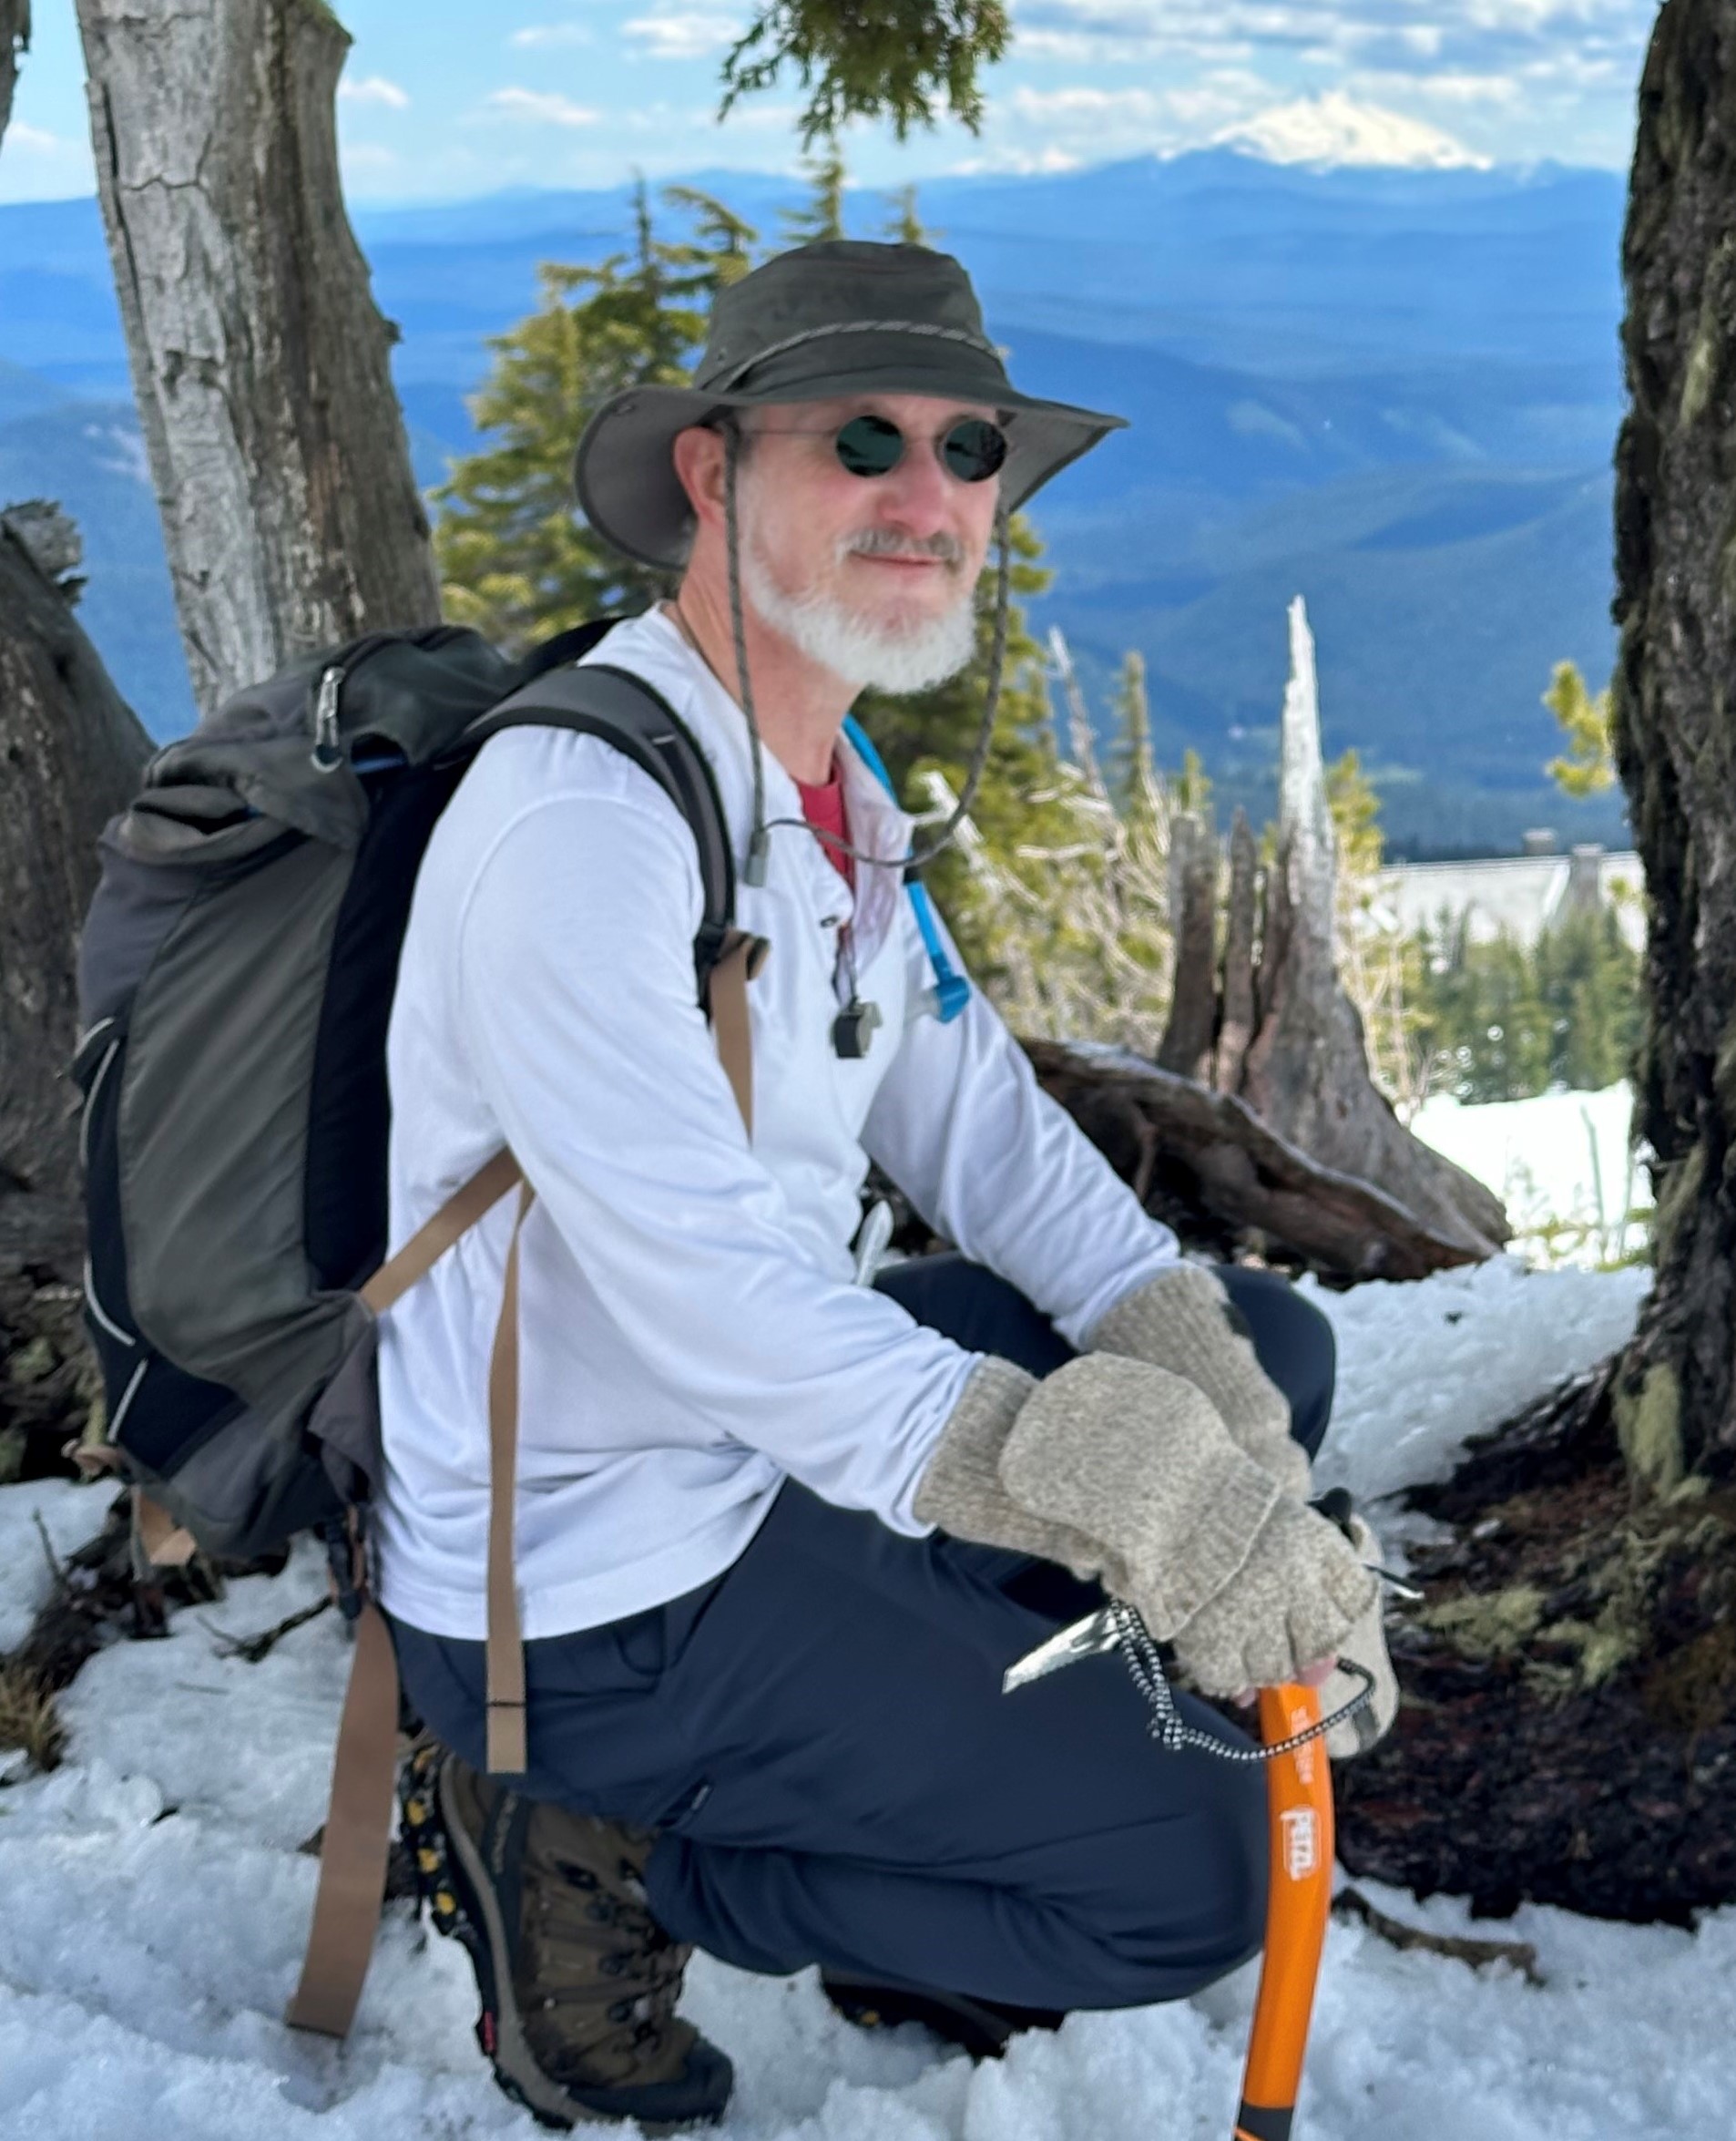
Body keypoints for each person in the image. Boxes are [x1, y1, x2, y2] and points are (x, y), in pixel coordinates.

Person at [375, 238, 1395, 2132]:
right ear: (710, 472)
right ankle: (621, 1851)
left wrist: (1199, 1394)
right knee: (1204, 1877)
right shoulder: (583, 824)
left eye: (968, 447)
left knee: (1251, 1349)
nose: (927, 493)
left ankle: (945, 1812)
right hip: (603, 1573)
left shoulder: (815, 780)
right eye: (860, 438)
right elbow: (703, 1294)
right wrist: (1130, 1488)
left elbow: (982, 1127)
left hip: (744, 1439)